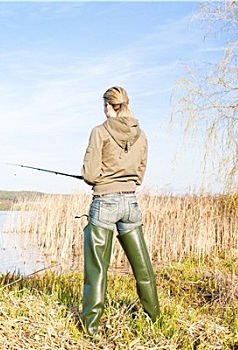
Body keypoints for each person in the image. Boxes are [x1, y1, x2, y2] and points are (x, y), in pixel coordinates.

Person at [80, 86, 159, 335]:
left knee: (96, 269)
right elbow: (140, 174)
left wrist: (100, 178)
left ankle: (90, 329)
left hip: (104, 202)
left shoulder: (99, 132)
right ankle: (154, 318)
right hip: (131, 202)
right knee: (142, 266)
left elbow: (90, 174)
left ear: (108, 106)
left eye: (104, 106)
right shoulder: (142, 135)